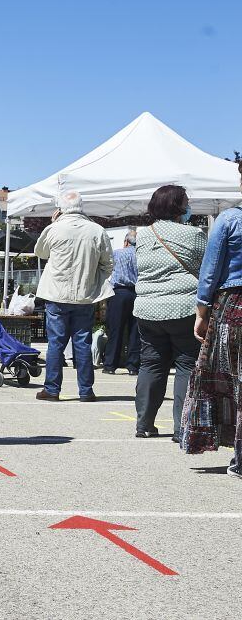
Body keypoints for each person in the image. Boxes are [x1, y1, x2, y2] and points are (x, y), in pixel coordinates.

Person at [131, 187, 206, 439]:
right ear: (178, 206)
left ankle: (144, 423)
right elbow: (205, 268)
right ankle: (181, 426)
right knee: (186, 364)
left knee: (151, 363)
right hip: (183, 306)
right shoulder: (193, 233)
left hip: (147, 308)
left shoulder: (143, 235)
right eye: (187, 201)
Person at [183, 162, 242, 477]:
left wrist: (201, 313)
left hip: (234, 307)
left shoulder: (230, 220)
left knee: (234, 382)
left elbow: (211, 270)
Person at [33, 191, 114, 403]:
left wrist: (54, 222)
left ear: (60, 208)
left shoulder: (54, 228)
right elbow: (108, 263)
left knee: (56, 343)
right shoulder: (97, 230)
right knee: (82, 343)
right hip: (84, 296)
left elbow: (40, 252)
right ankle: (86, 390)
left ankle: (52, 388)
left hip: (56, 294)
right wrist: (95, 282)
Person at [103, 229, 140, 376]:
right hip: (137, 293)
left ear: (125, 242)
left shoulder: (117, 253)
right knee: (135, 331)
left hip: (118, 293)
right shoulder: (141, 255)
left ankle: (110, 365)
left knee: (115, 330)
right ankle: (133, 366)